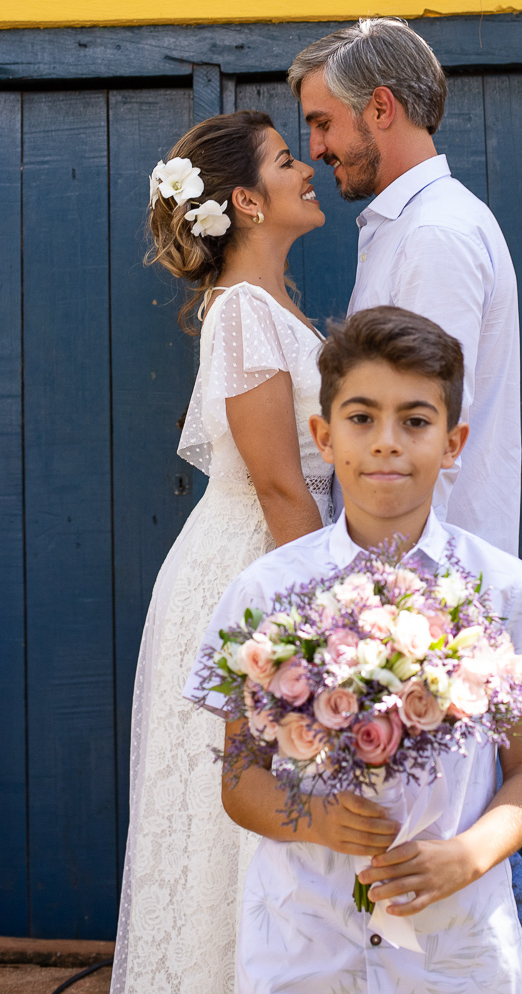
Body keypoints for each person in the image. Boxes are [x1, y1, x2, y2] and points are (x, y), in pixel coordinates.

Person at [185, 307, 522, 994]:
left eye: (415, 421)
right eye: (362, 418)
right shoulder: (266, 591)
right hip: (306, 935)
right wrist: (317, 819)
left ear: (453, 441)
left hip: (453, 943)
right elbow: (240, 782)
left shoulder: (504, 590)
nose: (386, 443)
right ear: (324, 433)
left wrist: (469, 854)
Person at [287, 17, 522, 974]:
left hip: (430, 593)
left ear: (379, 111)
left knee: (469, 864)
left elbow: (404, 435)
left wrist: (373, 596)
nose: (316, 148)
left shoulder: (432, 235)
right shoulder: (409, 223)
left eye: (323, 124)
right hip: (414, 587)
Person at [111, 110, 334, 994]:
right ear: (246, 200)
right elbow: (281, 484)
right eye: (288, 160)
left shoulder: (272, 306)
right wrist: (337, 623)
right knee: (239, 817)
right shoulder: (244, 311)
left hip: (275, 553)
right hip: (257, 571)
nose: (308, 167)